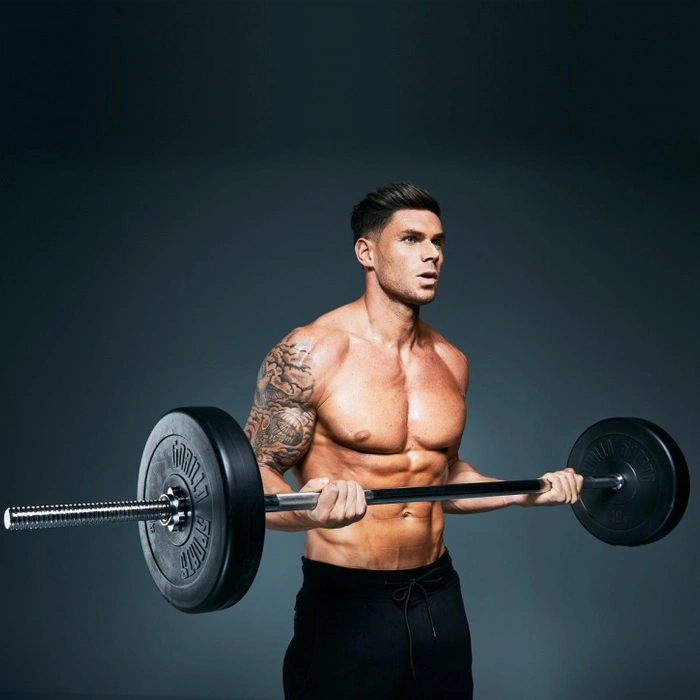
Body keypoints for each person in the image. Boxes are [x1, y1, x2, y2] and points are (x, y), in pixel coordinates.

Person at [244, 183, 583, 699]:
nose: (432, 254)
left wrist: (522, 492)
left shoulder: (450, 361)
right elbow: (251, 482)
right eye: (411, 239)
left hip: (436, 595)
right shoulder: (311, 353)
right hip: (347, 602)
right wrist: (312, 513)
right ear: (367, 252)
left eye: (437, 241)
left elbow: (445, 477)